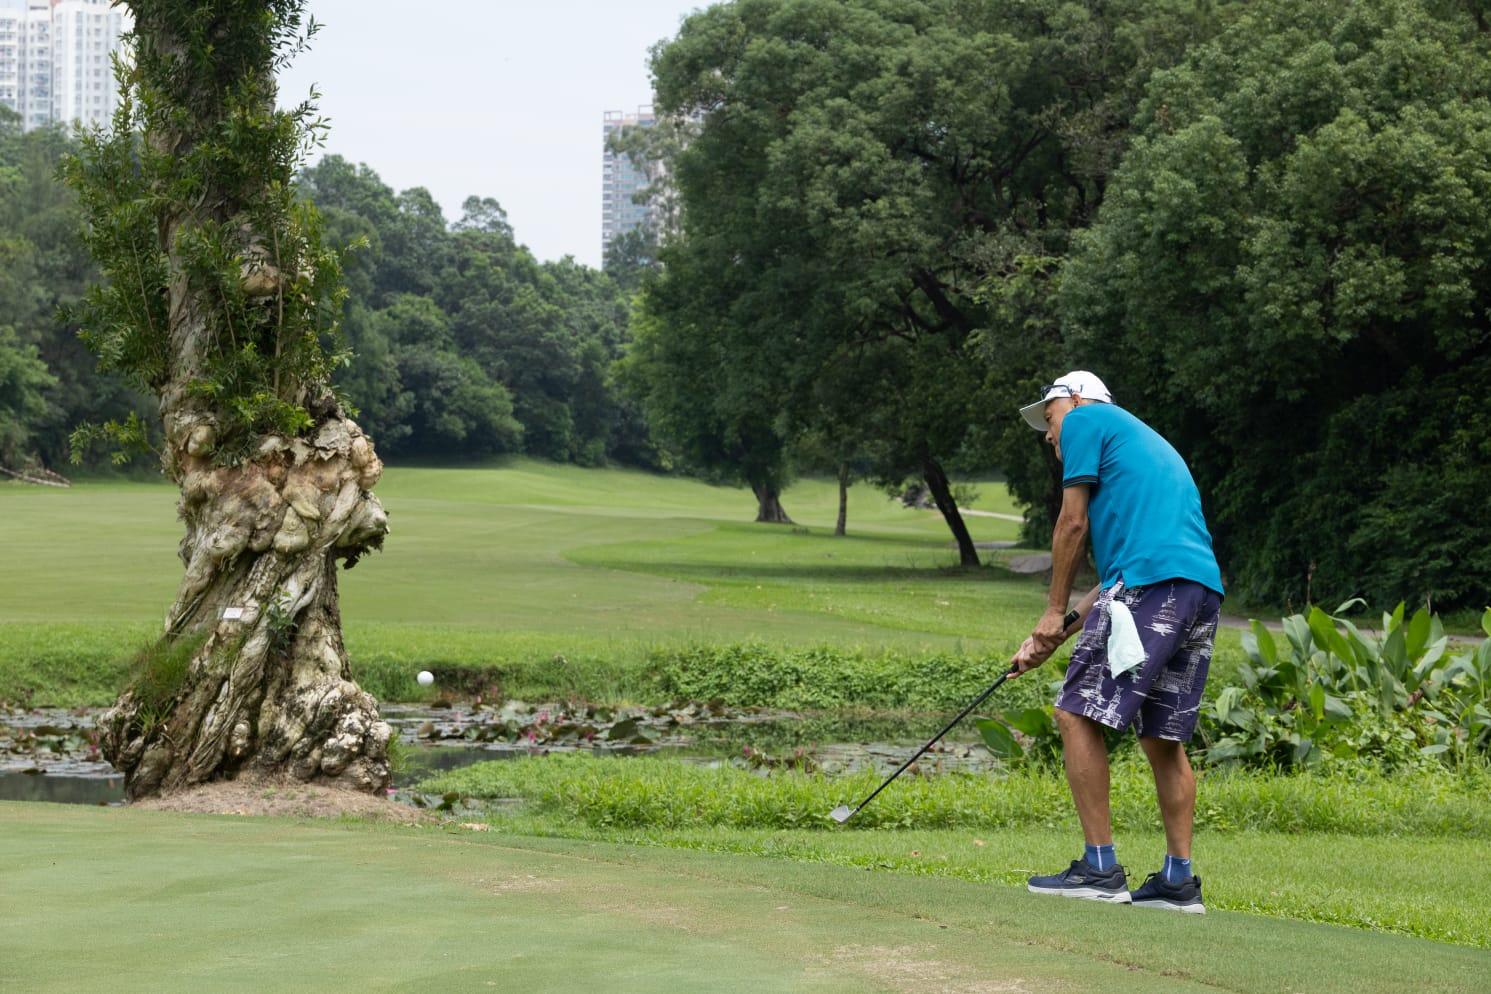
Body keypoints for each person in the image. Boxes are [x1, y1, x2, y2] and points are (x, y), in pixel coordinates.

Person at [1009, 371, 1223, 914]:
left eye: (1050, 417)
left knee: (1074, 714)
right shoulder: (1137, 446)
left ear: (1077, 399)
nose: (1049, 434)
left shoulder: (1087, 419)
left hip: (1151, 583)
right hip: (1197, 588)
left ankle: (1100, 869)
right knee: (1162, 736)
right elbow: (1111, 585)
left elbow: (1071, 524)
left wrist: (1051, 609)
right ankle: (1177, 883)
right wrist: (1052, 635)